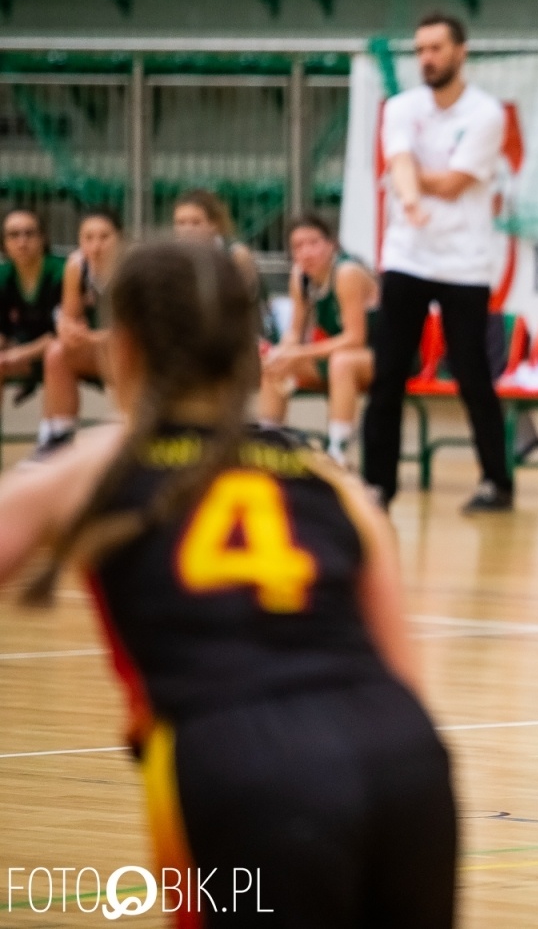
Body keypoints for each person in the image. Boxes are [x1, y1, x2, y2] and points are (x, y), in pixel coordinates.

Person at [0, 238, 457, 925]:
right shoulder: (333, 481)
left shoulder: (97, 467)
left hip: (244, 770)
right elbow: (403, 674)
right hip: (406, 762)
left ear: (124, 347)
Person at [363, 12, 513, 513]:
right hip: (406, 256)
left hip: (463, 262)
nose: (426, 58)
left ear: (460, 52)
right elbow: (401, 164)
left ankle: (496, 482)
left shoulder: (486, 114)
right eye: (420, 49)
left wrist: (409, 176)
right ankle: (377, 484)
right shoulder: (401, 107)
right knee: (388, 373)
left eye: (436, 48)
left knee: (471, 374)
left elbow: (452, 183)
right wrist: (407, 195)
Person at [258, 213, 378, 466]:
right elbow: (294, 332)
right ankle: (268, 446)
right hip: (339, 356)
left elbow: (355, 338)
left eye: (313, 243)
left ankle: (337, 454)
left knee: (342, 363)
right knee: (275, 364)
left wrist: (299, 353)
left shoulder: (347, 273)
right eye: (298, 246)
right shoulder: (300, 276)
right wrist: (283, 351)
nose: (306, 252)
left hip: (383, 356)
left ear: (331, 244)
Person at [38, 208, 122, 450]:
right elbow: (70, 319)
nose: (96, 246)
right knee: (57, 353)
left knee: (128, 352)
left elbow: (134, 332)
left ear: (120, 238)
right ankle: (56, 439)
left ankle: (132, 435)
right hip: (102, 348)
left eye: (104, 237)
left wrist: (89, 337)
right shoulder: (77, 266)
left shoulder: (131, 267)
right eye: (88, 238)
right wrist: (68, 329)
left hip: (138, 353)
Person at [0, 207, 66, 395]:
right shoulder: (3, 276)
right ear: (4, 243)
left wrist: (19, 354)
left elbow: (60, 334)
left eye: (29, 234)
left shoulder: (61, 273)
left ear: (42, 238)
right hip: (21, 352)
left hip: (62, 353)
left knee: (57, 353)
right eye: (14, 235)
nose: (22, 242)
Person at [172, 187, 259, 295]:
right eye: (181, 223)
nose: (187, 229)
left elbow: (247, 298)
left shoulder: (235, 255)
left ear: (214, 224)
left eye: (196, 222)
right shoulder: (171, 257)